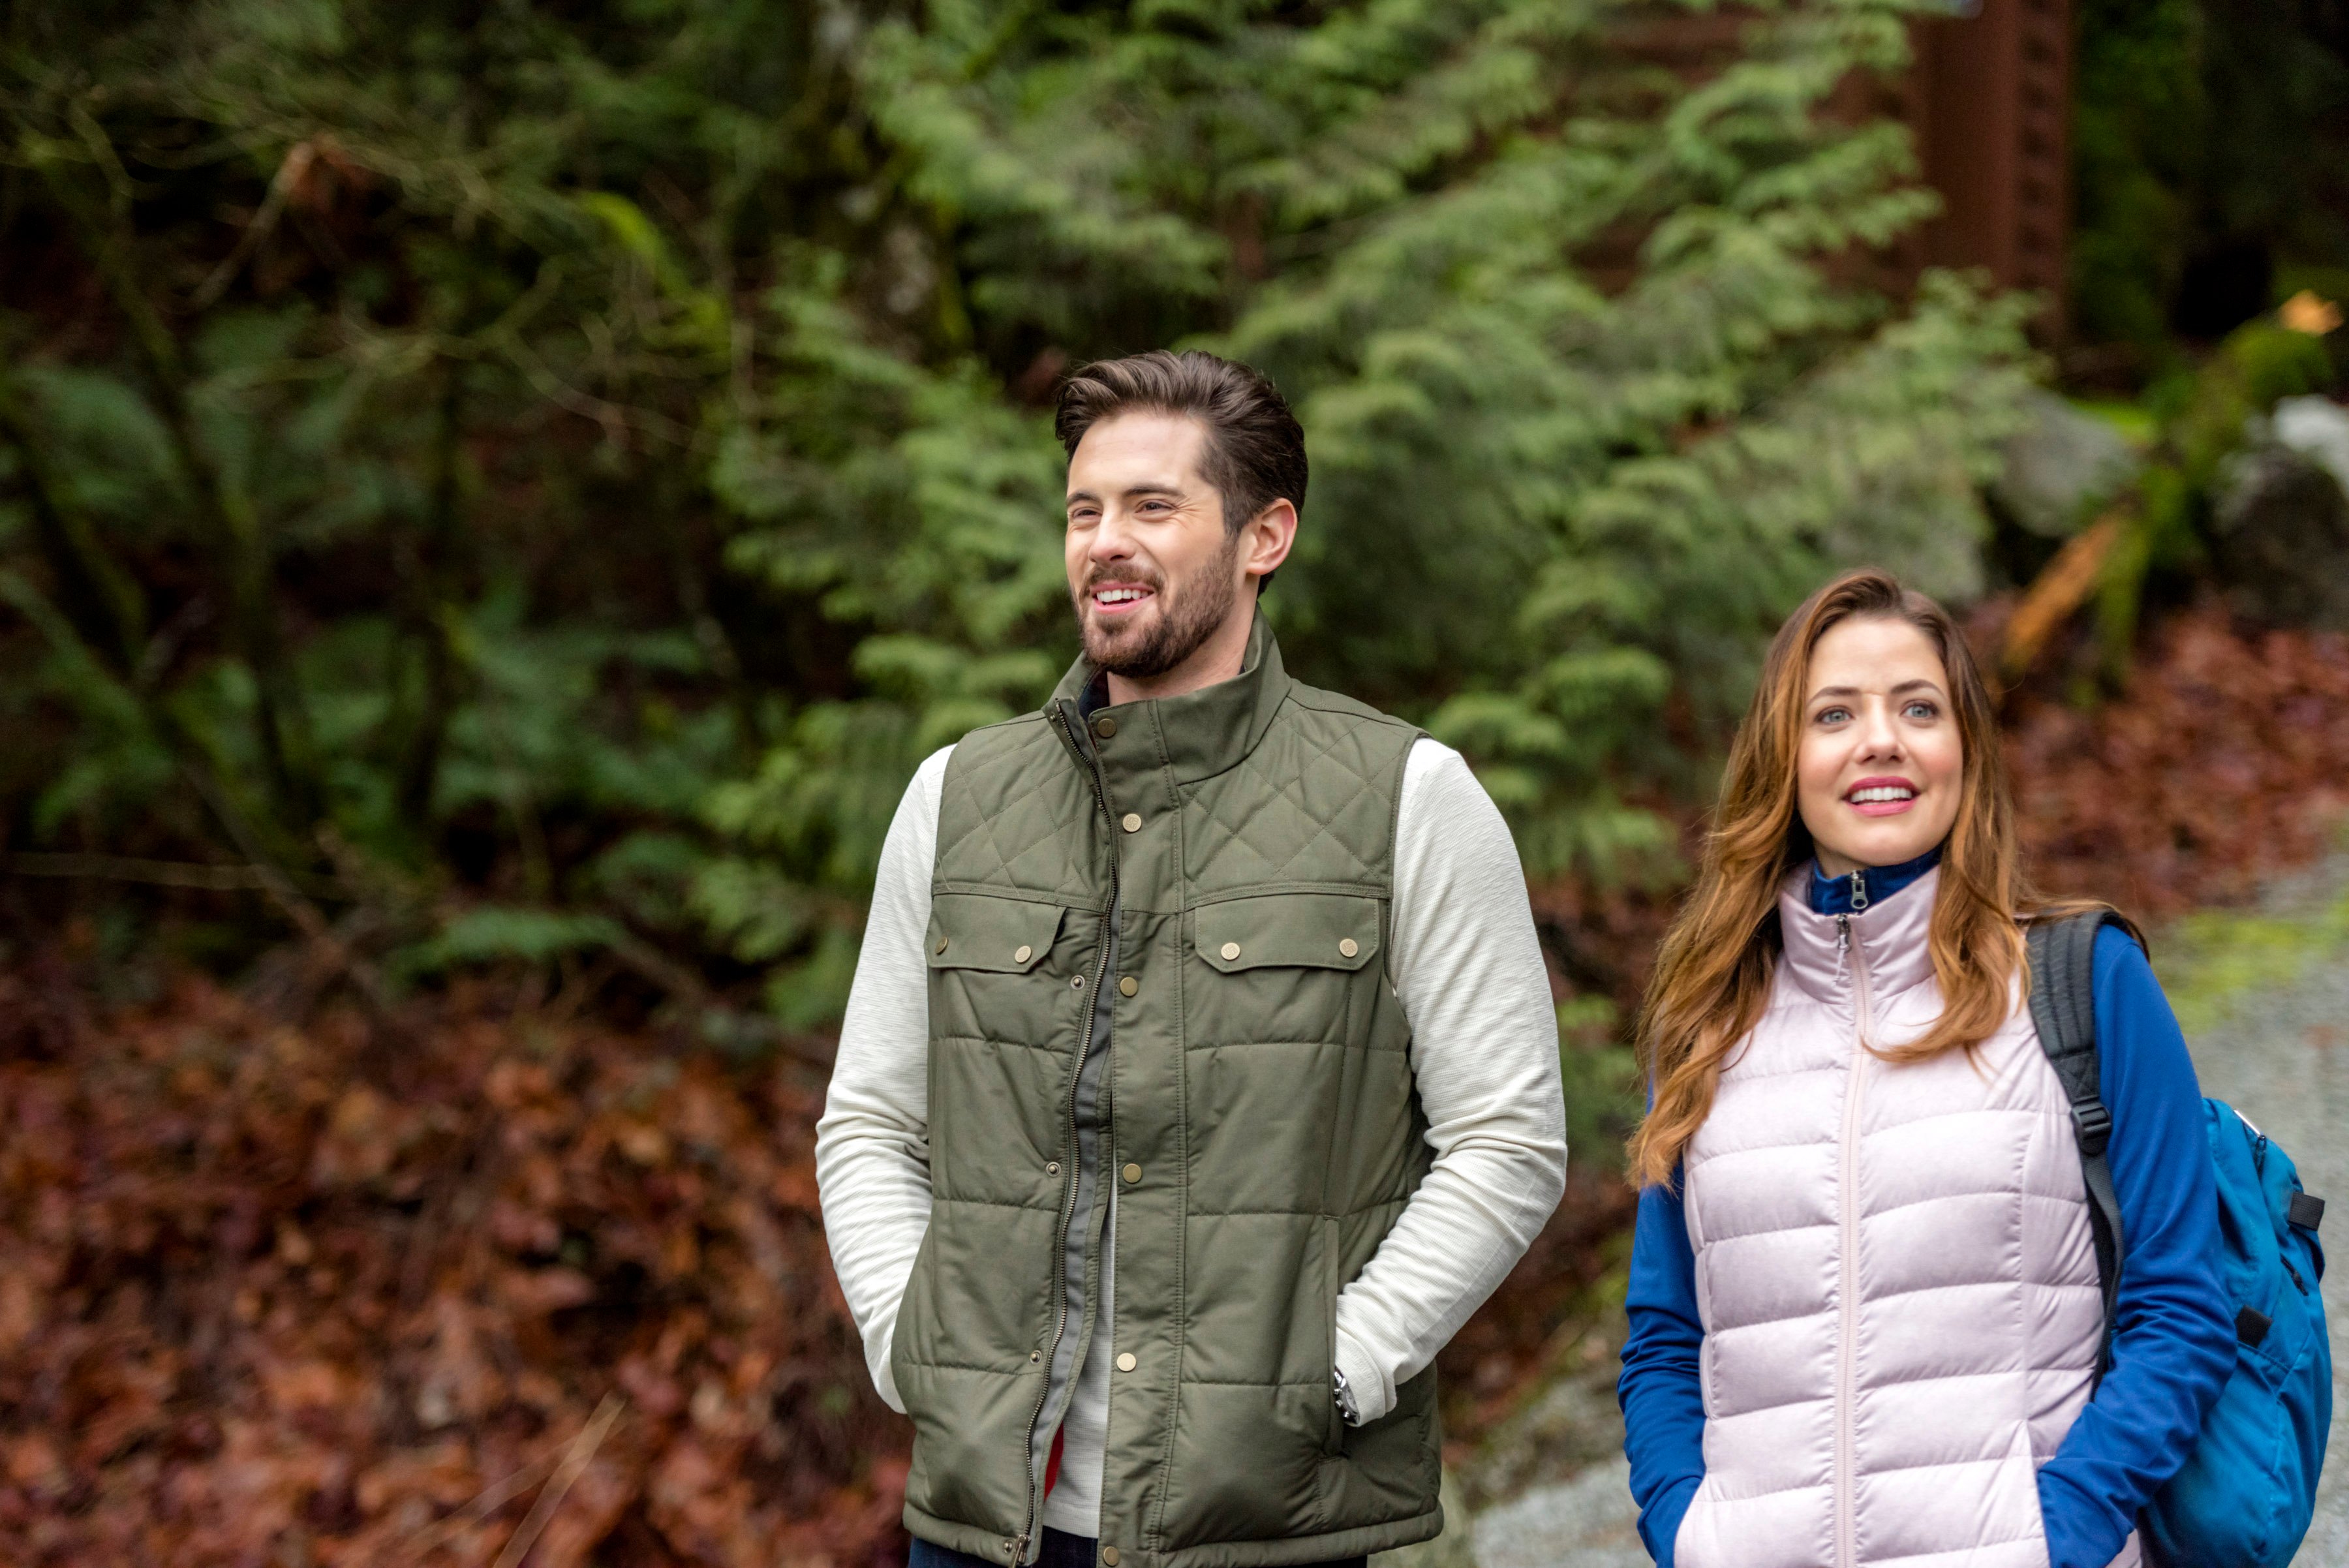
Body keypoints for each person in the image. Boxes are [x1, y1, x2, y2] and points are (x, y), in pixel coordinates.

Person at [817, 350, 1567, 1568]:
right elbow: (869, 1122)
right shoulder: (956, 797)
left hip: (1260, 1526)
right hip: (986, 1523)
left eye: (1152, 507)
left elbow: (1509, 1140)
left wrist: (1337, 1370)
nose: (1105, 541)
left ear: (1265, 534)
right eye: (1084, 510)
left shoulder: (1407, 799)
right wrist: (911, 1344)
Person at [1616, 569, 2234, 1568]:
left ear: (1964, 750)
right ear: (1786, 756)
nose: (1881, 740)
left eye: (1918, 707)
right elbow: (1663, 1336)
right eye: (1835, 713)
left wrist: (2063, 1533)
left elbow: (2182, 1307)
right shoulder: (1707, 1021)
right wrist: (1688, 1529)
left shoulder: (2086, 982)